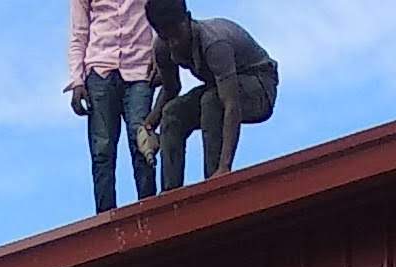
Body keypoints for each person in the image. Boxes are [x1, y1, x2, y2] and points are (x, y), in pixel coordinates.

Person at [139, 0, 276, 187]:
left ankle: (214, 181)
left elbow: (231, 105)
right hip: (219, 89)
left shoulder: (214, 43)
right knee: (172, 113)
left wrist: (225, 167)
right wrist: (149, 124)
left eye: (177, 34)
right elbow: (171, 89)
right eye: (167, 37)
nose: (174, 43)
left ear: (187, 19)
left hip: (259, 87)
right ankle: (170, 193)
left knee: (211, 102)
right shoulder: (163, 48)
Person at [66, 0, 158, 212]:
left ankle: (150, 212)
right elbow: (79, 33)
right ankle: (106, 217)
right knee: (102, 152)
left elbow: (161, 14)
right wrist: (77, 81)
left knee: (143, 145)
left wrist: (161, 59)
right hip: (100, 71)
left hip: (140, 70)